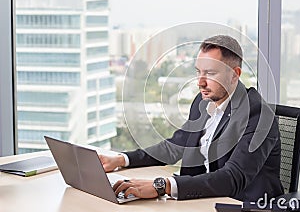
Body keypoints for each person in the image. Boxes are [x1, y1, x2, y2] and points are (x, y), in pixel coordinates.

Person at [99, 35, 284, 201]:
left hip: (243, 206)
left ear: (235, 75)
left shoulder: (259, 115)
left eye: (211, 73)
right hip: (203, 201)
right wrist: (122, 159)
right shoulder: (203, 102)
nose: (200, 82)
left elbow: (232, 178)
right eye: (198, 72)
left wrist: (163, 185)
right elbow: (175, 146)